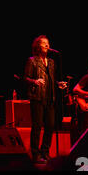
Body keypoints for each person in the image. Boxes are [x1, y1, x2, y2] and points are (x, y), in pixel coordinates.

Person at [23, 35, 67, 164]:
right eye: (43, 43)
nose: (47, 45)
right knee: (37, 126)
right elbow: (25, 78)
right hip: (37, 97)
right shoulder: (32, 61)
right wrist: (34, 81)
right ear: (38, 46)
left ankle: (45, 152)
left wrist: (58, 84)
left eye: (47, 43)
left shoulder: (52, 62)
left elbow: (51, 79)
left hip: (50, 98)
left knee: (50, 126)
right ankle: (35, 154)